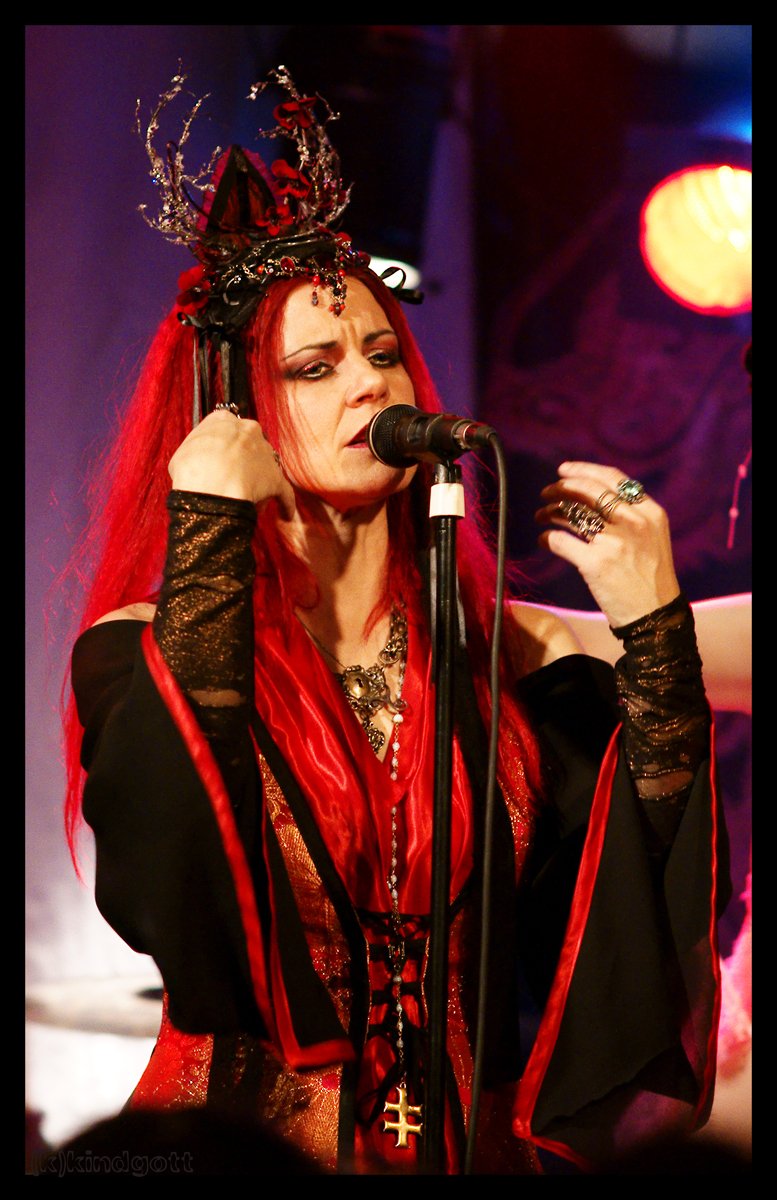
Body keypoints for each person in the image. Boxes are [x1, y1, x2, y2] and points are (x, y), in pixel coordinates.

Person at [62, 66, 730, 1176]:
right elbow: (170, 885)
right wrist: (210, 532)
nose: (370, 386)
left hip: (465, 1147)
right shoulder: (147, 647)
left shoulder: (499, 647)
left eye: (381, 355)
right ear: (235, 410)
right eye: (314, 368)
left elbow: (634, 898)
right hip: (241, 1150)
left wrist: (652, 619)